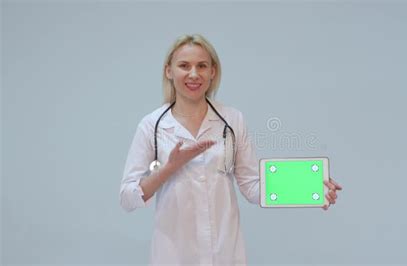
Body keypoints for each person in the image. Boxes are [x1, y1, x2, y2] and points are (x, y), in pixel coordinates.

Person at [119, 34, 342, 266]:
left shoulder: (232, 120)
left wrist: (311, 186)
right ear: (169, 71)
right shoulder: (151, 125)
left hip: (224, 252)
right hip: (174, 254)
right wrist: (169, 169)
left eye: (202, 66)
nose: (194, 74)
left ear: (212, 72)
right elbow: (127, 197)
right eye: (184, 66)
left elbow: (253, 185)